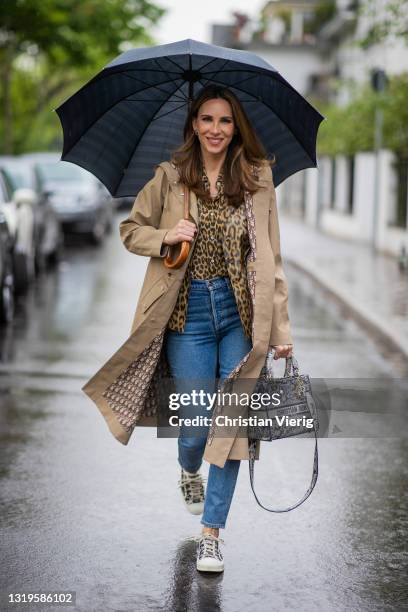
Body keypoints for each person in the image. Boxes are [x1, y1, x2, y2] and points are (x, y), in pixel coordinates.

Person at [154, 85, 293, 572]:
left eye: (226, 121)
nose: (216, 129)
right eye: (207, 119)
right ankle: (188, 468)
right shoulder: (170, 177)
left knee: (229, 426)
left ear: (237, 128)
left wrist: (281, 330)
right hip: (187, 315)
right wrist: (166, 234)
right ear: (194, 124)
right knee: (194, 426)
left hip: (239, 316)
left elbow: (272, 256)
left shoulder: (256, 177)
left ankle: (211, 535)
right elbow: (130, 230)